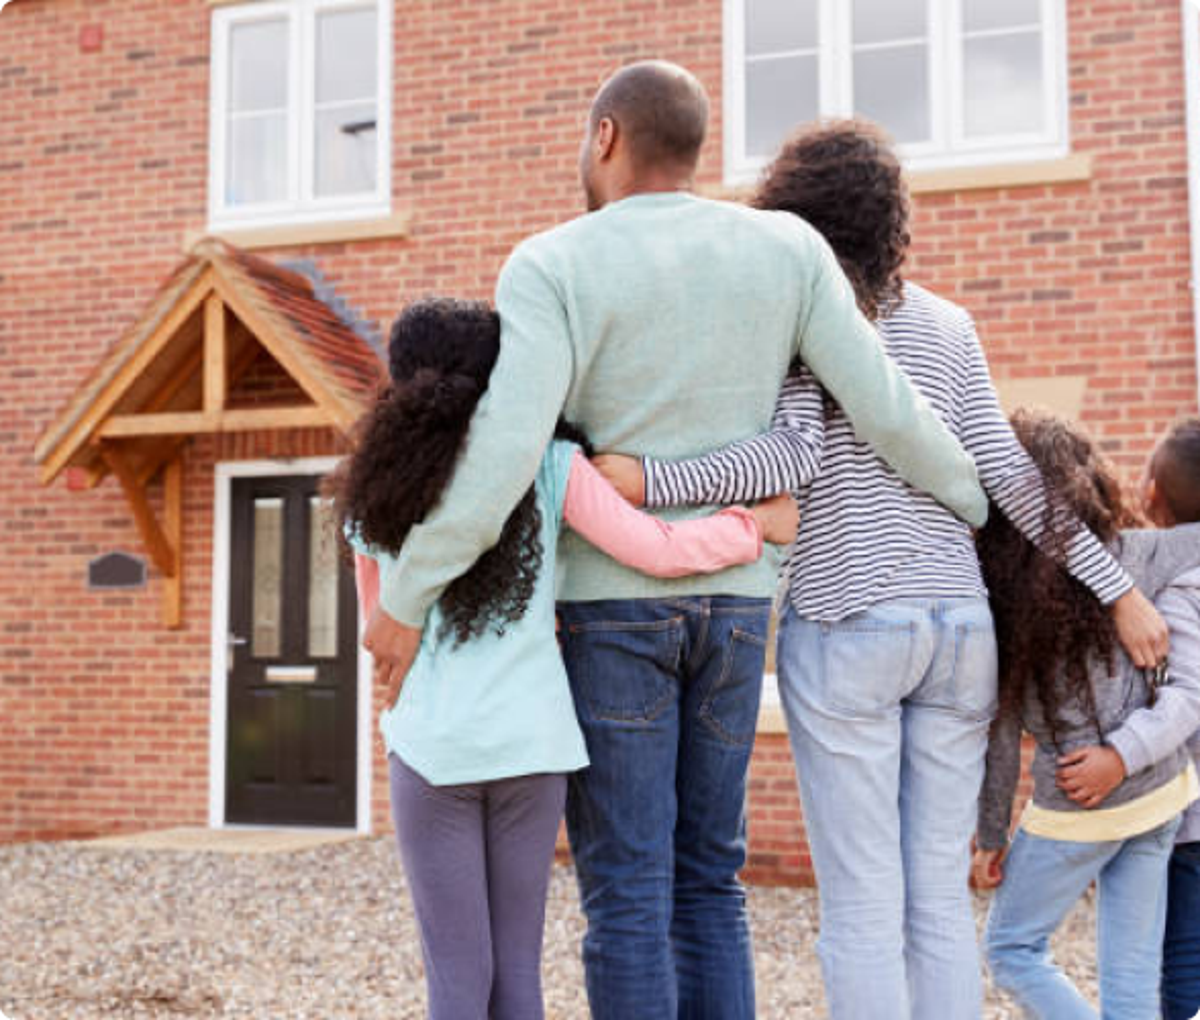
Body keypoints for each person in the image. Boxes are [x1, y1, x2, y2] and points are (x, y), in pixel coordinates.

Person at [362, 64, 989, 1020]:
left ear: (605, 137)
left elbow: (505, 457)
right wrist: (977, 504)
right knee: (710, 880)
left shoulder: (551, 263)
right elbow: (887, 409)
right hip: (736, 605)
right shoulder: (788, 250)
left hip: (611, 613)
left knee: (628, 890)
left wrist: (407, 599)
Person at [595, 119, 1171, 1020]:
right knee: (937, 902)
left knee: (864, 905)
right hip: (958, 631)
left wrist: (651, 479)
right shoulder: (949, 325)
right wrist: (1121, 589)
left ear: (794, 212)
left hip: (849, 619)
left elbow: (789, 456)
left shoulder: (804, 317)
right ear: (889, 220)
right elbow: (1011, 474)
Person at [334, 297, 799, 1020]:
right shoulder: (550, 465)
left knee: (459, 979)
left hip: (432, 751)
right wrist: (756, 526)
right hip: (533, 750)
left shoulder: (373, 494)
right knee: (517, 973)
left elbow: (384, 633)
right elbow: (658, 551)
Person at [971, 410, 1200, 1019]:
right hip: (1162, 795)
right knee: (1132, 981)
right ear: (1092, 483)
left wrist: (991, 834)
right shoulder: (1140, 556)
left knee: (1011, 949)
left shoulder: (1001, 599)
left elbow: (1000, 732)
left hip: (1082, 801)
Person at [1147, 420, 1200, 1020]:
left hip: (1194, 817)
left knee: (1184, 956)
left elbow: (1187, 697)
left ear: (1152, 495)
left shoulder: (1179, 590)